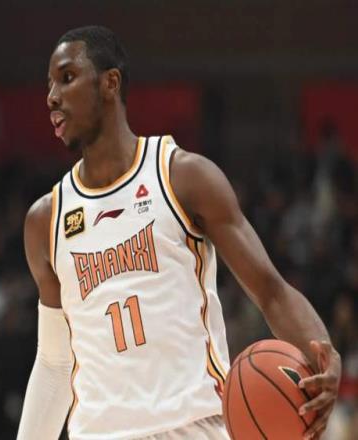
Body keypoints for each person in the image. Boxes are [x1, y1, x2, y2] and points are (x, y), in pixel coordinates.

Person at [17, 26, 341, 440]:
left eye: (66, 78)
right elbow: (55, 363)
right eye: (49, 84)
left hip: (193, 427)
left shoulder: (182, 177)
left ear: (110, 83)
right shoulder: (46, 220)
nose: (51, 97)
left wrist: (321, 350)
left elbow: (270, 290)